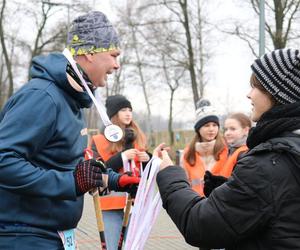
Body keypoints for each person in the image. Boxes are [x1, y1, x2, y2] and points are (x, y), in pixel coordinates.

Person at [0, 11, 139, 250]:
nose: (117, 65)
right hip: (24, 236)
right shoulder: (43, 97)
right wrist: (70, 183)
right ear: (89, 53)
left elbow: (63, 163)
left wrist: (116, 180)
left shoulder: (72, 101)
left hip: (53, 235)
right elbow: (4, 160)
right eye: (113, 55)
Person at [155, 48, 300, 249]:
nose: (249, 94)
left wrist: (169, 174)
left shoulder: (266, 163)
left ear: (277, 93)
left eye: (256, 86)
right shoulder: (286, 154)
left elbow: (200, 225)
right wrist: (230, 191)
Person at [90, 94, 151, 250]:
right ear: (113, 115)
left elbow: (144, 173)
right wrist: (122, 156)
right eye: (123, 109)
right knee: (112, 247)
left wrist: (148, 159)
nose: (128, 113)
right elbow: (98, 171)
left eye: (130, 109)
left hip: (134, 204)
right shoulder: (98, 140)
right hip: (110, 205)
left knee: (136, 247)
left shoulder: (138, 138)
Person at [182, 99, 228, 196]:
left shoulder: (226, 150)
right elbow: (184, 185)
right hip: (196, 204)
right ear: (198, 129)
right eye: (206, 125)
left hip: (222, 204)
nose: (211, 129)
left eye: (215, 125)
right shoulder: (188, 154)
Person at [203, 112, 251, 197]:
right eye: (226, 129)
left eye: (233, 129)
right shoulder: (231, 151)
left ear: (246, 130)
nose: (227, 133)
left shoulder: (244, 154)